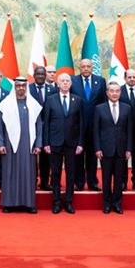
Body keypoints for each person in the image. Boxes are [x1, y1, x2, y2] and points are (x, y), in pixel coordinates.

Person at [0, 77, 42, 213]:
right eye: (18, 86)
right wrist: (0, 143)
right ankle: (9, 203)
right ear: (14, 87)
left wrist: (38, 144)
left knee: (28, 173)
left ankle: (29, 203)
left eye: (23, 85)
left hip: (28, 145)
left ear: (26, 87)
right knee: (10, 173)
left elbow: (39, 126)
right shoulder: (5, 104)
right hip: (10, 145)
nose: (21, 88)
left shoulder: (33, 104)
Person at [43, 73, 83, 214]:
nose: (65, 83)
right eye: (62, 81)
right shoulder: (50, 100)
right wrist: (46, 142)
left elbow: (81, 124)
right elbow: (46, 122)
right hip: (54, 141)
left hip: (72, 142)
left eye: (67, 81)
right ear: (58, 84)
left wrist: (80, 143)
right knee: (55, 173)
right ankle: (56, 202)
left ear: (71, 84)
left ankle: (69, 202)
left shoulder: (77, 100)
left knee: (71, 173)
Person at [93, 82, 132, 214]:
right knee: (106, 178)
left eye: (117, 91)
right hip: (105, 149)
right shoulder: (99, 108)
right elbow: (96, 130)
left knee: (119, 179)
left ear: (120, 93)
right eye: (112, 91)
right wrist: (97, 148)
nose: (114, 93)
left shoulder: (127, 108)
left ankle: (117, 204)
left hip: (121, 149)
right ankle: (107, 204)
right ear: (107, 93)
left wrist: (129, 149)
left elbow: (129, 131)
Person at [71, 58, 106, 191]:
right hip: (76, 126)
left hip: (94, 126)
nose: (86, 68)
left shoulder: (101, 81)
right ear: (79, 68)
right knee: (78, 155)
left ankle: (92, 182)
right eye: (83, 66)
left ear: (92, 68)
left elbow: (103, 104)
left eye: (88, 66)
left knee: (93, 155)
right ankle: (79, 183)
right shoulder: (73, 81)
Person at [29, 66, 55, 190]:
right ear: (33, 75)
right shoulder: (27, 89)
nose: (40, 76)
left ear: (45, 76)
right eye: (37, 74)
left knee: (46, 156)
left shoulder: (53, 89)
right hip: (31, 128)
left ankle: (45, 182)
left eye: (42, 74)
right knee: (32, 155)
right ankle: (32, 181)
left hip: (48, 128)